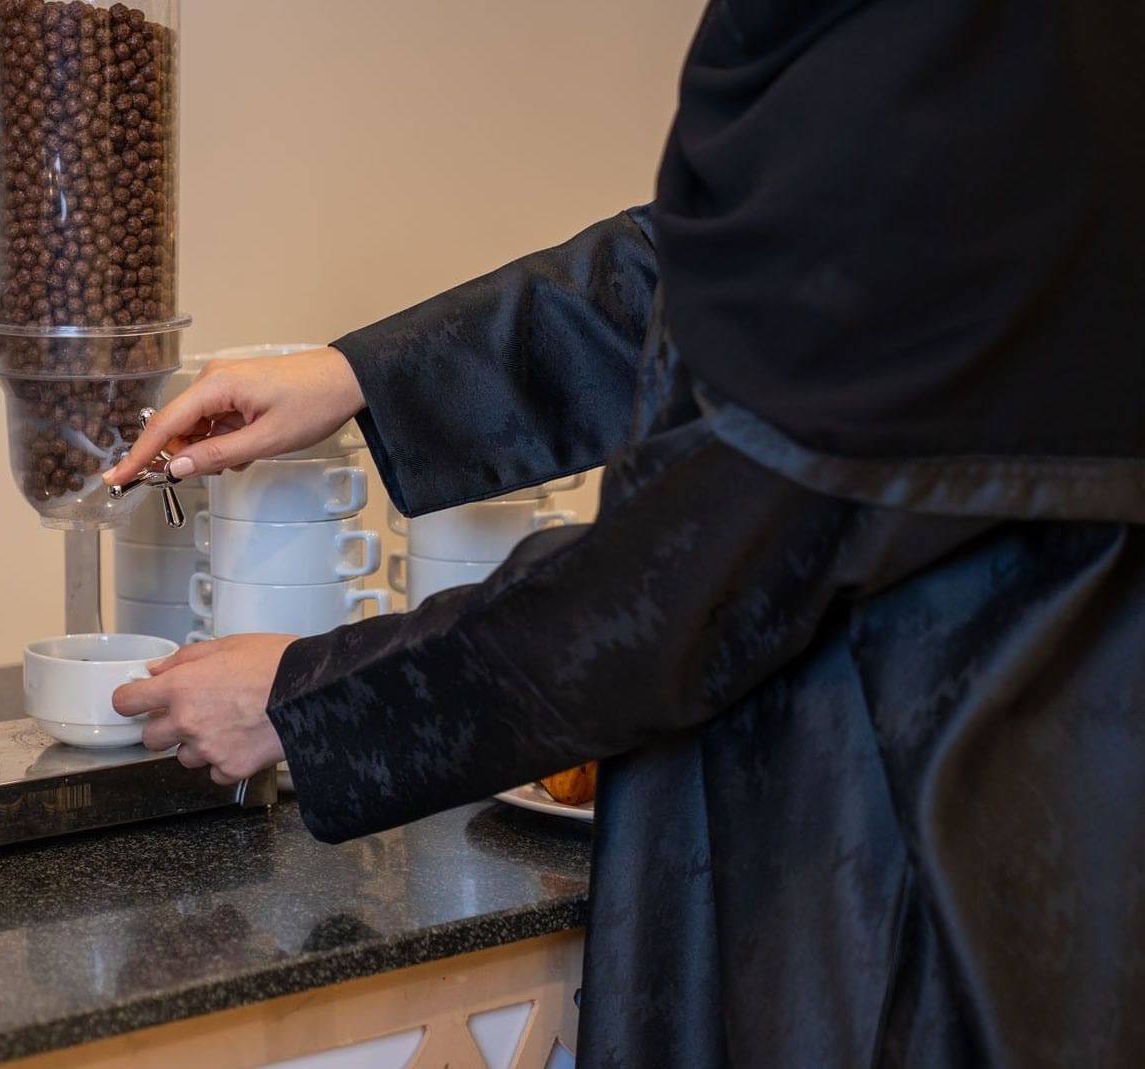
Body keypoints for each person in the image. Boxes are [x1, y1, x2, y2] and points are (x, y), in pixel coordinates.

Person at [102, 3, 1145, 1066]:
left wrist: (314, 697)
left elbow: (693, 572)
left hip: (943, 851)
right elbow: (758, 270)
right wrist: (366, 375)